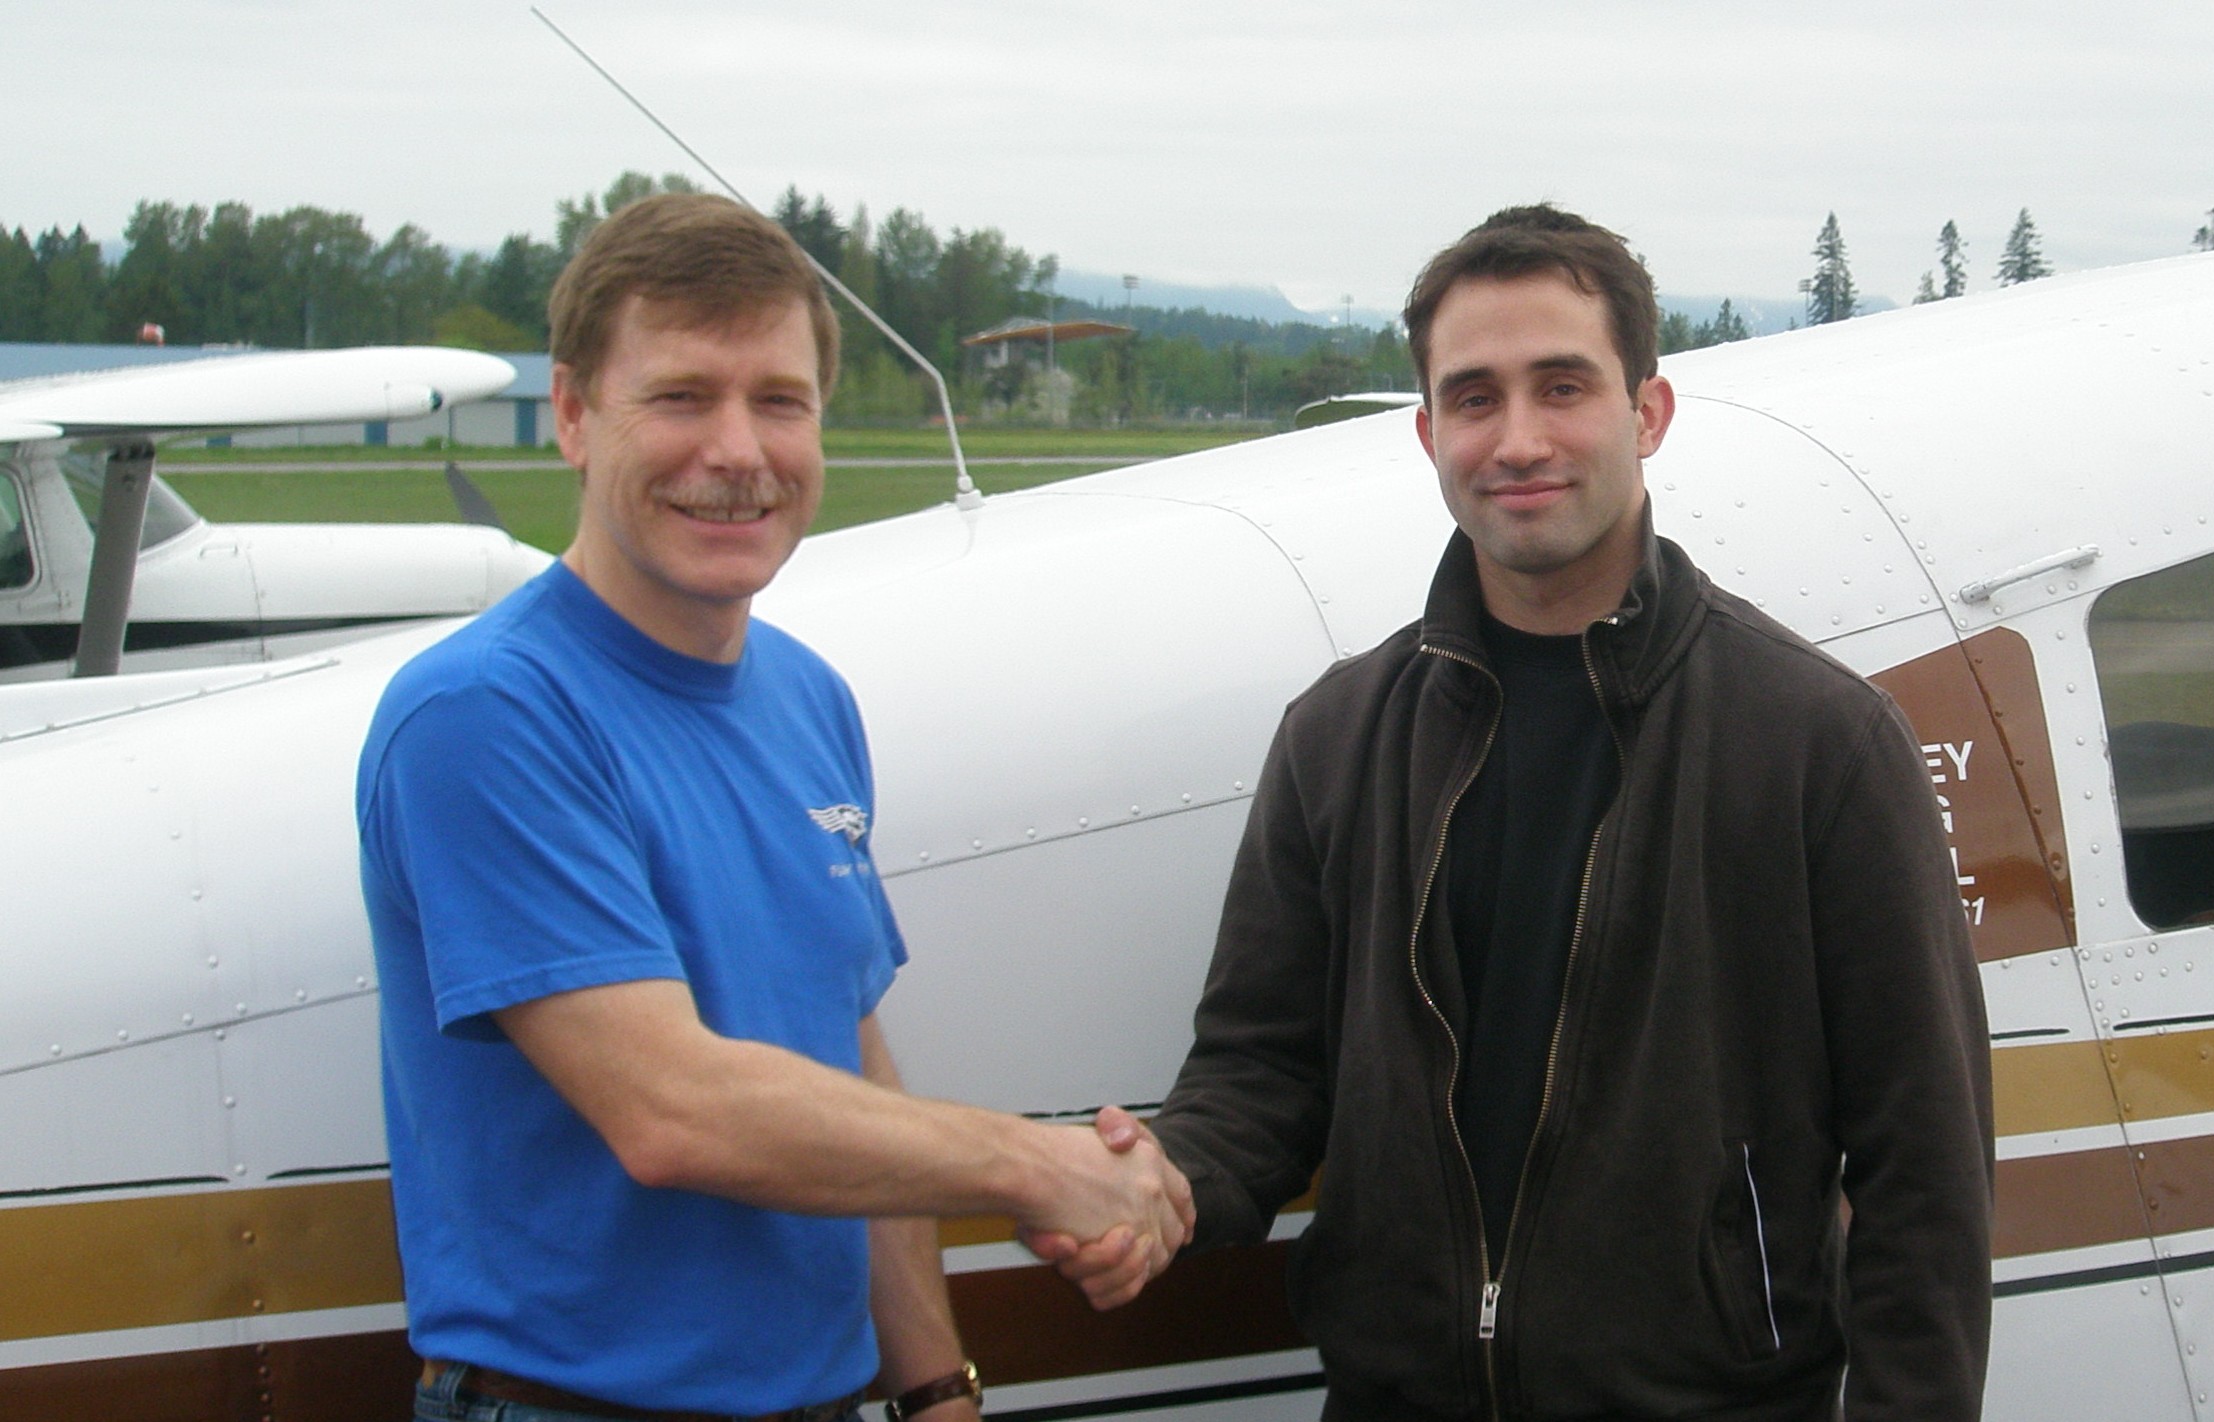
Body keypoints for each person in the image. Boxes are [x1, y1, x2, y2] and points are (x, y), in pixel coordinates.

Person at [1048, 205, 1994, 1420]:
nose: (1519, 439)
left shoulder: (1821, 743)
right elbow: (1260, 1072)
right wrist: (1161, 1182)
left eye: (1563, 387)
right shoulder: (1337, 736)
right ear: (1427, 430)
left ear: (1647, 414)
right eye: (1476, 397)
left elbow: (1925, 1167)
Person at [358, 193, 1190, 1422]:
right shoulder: (487, 713)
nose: (739, 452)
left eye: (780, 401)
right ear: (576, 415)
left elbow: (845, 1061)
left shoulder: (808, 699)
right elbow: (671, 1112)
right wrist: (1035, 1164)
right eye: (682, 396)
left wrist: (934, 1390)